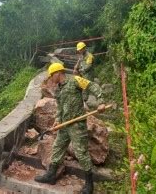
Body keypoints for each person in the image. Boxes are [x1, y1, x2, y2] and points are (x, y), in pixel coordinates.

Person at [35, 63, 106, 194]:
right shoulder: (58, 90)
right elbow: (60, 108)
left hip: (77, 125)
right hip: (64, 125)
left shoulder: (75, 80)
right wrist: (57, 120)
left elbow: (92, 86)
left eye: (51, 76)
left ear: (57, 73)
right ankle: (51, 175)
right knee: (57, 148)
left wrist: (101, 101)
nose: (51, 79)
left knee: (81, 153)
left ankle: (89, 185)